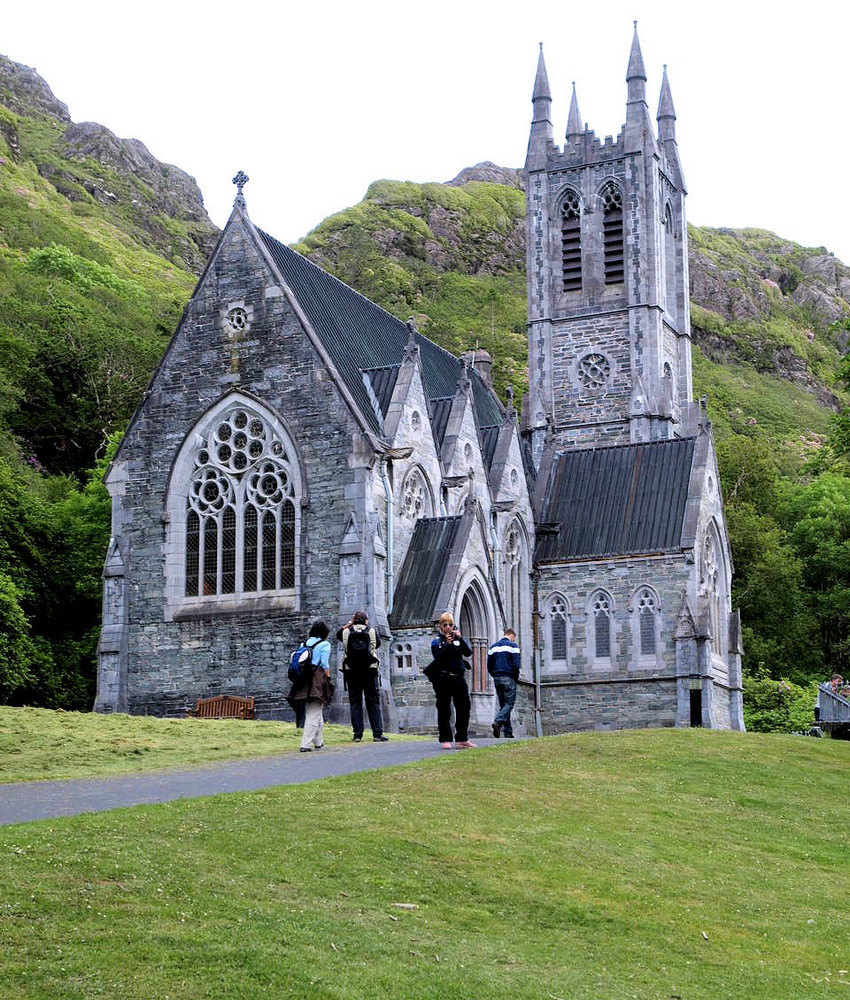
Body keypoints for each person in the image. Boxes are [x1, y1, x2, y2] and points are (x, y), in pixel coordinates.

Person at [337, 610, 388, 742]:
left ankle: (357, 735)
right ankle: (377, 734)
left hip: (351, 671)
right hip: (369, 670)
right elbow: (377, 644)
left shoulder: (347, 632)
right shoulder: (371, 631)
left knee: (355, 702)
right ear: (366, 620)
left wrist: (349, 624)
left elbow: (338, 635)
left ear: (354, 620)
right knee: (373, 702)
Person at [428, 612, 476, 749]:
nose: (448, 627)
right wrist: (448, 645)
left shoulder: (457, 640)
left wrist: (460, 639)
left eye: (450, 624)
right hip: (443, 678)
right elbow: (439, 657)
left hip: (458, 677)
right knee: (444, 709)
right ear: (441, 627)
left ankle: (462, 738)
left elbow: (468, 652)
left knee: (464, 707)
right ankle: (445, 738)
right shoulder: (437, 642)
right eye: (445, 625)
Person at [286, 621, 334, 752]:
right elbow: (324, 664)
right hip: (317, 679)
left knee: (317, 710)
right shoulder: (325, 644)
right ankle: (305, 744)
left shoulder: (305, 643)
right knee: (314, 710)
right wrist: (328, 678)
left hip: (303, 679)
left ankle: (319, 742)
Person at [487, 627, 521, 738]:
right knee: (509, 704)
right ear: (511, 635)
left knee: (503, 705)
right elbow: (516, 665)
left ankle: (508, 733)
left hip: (497, 678)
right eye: (513, 638)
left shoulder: (493, 647)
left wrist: (495, 675)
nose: (513, 640)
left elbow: (489, 666)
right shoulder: (513, 646)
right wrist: (515, 678)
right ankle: (497, 721)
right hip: (509, 678)